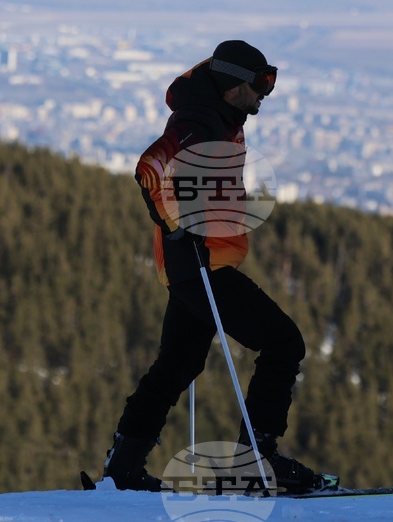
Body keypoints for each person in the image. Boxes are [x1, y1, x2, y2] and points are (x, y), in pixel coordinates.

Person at [102, 40, 319, 493]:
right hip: (203, 267)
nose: (266, 93)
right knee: (283, 344)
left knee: (178, 364)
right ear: (232, 83)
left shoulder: (219, 118)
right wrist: (179, 226)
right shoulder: (198, 120)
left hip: (197, 266)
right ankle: (257, 463)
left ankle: (122, 467)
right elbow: (149, 168)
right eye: (260, 83)